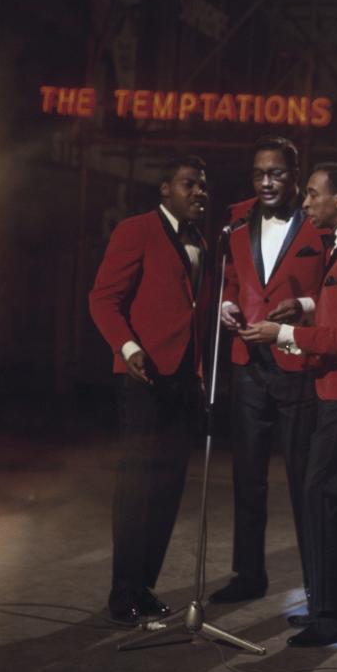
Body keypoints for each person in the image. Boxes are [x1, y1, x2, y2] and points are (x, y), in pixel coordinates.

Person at [248, 163, 337, 646]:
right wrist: (306, 307)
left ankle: (332, 615)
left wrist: (282, 333)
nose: (304, 202)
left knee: (324, 497)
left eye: (312, 195)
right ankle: (333, 609)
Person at [89, 155, 210, 625]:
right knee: (136, 486)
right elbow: (102, 298)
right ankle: (122, 590)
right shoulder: (136, 229)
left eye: (203, 186)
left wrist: (197, 374)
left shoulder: (201, 238)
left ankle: (144, 585)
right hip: (142, 376)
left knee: (168, 486)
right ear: (165, 189)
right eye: (188, 184)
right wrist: (128, 345)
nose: (198, 192)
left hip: (183, 378)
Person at [210, 136, 327, 605]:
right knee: (247, 476)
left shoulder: (319, 225)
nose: (266, 182)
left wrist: (303, 306)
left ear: (295, 176)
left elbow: (336, 293)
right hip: (248, 364)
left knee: (304, 479)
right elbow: (234, 280)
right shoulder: (237, 223)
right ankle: (248, 574)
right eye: (259, 174)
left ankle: (317, 582)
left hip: (298, 361)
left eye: (276, 173)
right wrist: (226, 304)